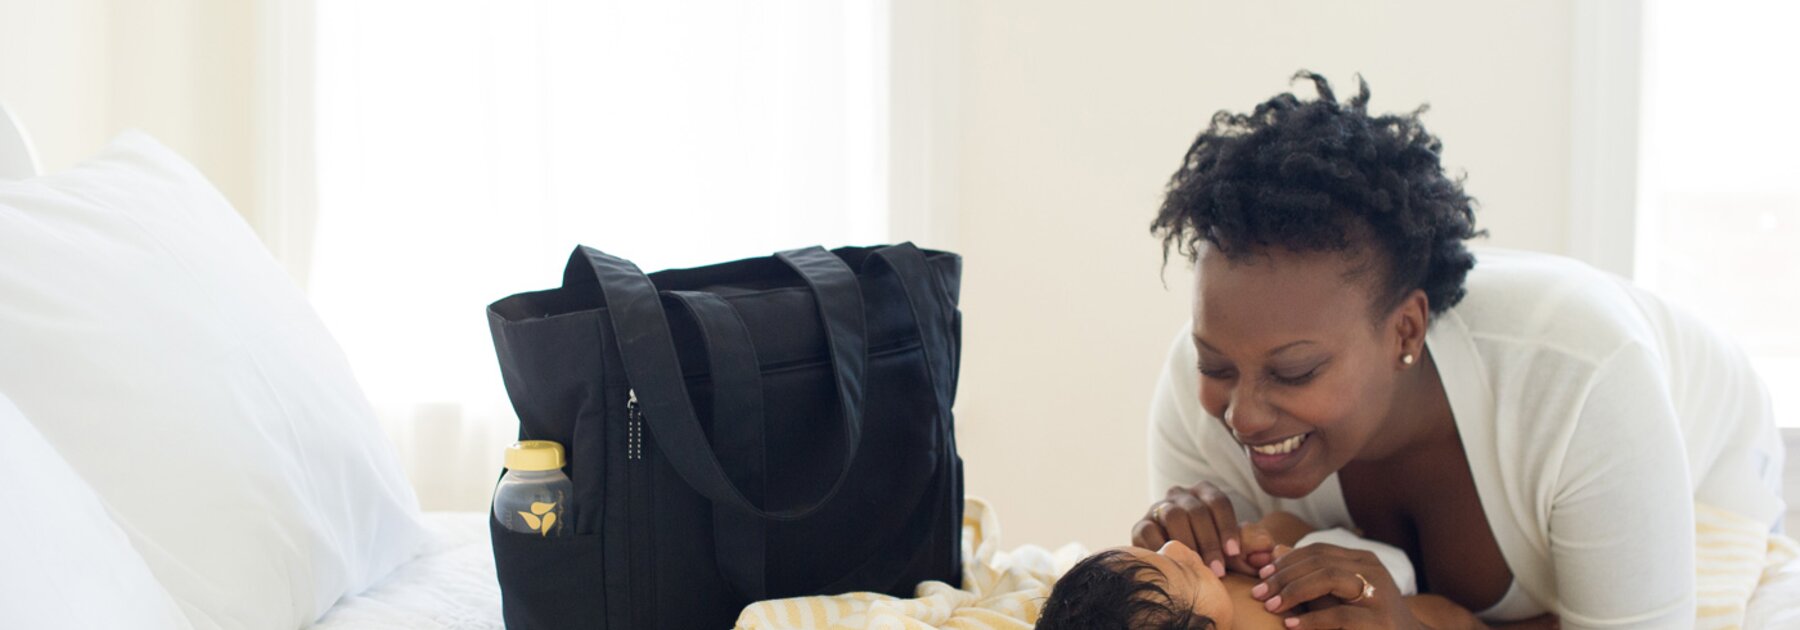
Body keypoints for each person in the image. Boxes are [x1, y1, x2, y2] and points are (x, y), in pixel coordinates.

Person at [1138, 71, 1784, 629]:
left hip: (1707, 466)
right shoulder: (1199, 397)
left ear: (1407, 331)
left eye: (1295, 371)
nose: (1243, 415)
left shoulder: (1581, 379)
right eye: (1217, 365)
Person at [1038, 511, 1553, 630]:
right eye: (1185, 572)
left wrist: (1264, 544)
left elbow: (1293, 528)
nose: (1177, 546)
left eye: (1161, 554)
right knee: (1447, 618)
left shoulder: (1227, 576)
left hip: (1347, 560)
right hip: (1385, 611)